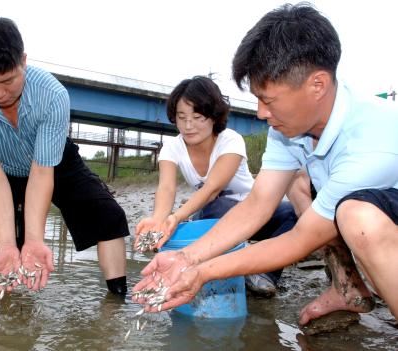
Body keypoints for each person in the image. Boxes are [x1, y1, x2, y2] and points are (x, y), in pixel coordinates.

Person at [133, 3, 398, 325]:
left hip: (374, 218)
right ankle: (345, 287)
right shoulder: (288, 129)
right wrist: (187, 257)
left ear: (317, 84)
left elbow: (303, 237)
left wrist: (200, 272)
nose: (260, 113)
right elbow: (258, 203)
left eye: (268, 100)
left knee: (358, 218)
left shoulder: (373, 136)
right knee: (310, 193)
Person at [0, 15, 129, 295]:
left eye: (7, 80)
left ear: (24, 61)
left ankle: (116, 300)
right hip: (2, 169)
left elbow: (43, 172)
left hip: (54, 163)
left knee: (108, 215)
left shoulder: (52, 95)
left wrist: (34, 239)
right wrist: (10, 244)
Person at [134, 76, 298, 297]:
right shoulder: (172, 147)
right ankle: (211, 272)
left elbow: (211, 189)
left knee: (290, 213)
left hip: (252, 214)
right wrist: (159, 220)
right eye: (181, 117)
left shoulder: (230, 140)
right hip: (214, 219)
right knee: (209, 212)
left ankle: (265, 275)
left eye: (197, 117)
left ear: (213, 117)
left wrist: (177, 217)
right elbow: (166, 188)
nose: (188, 125)